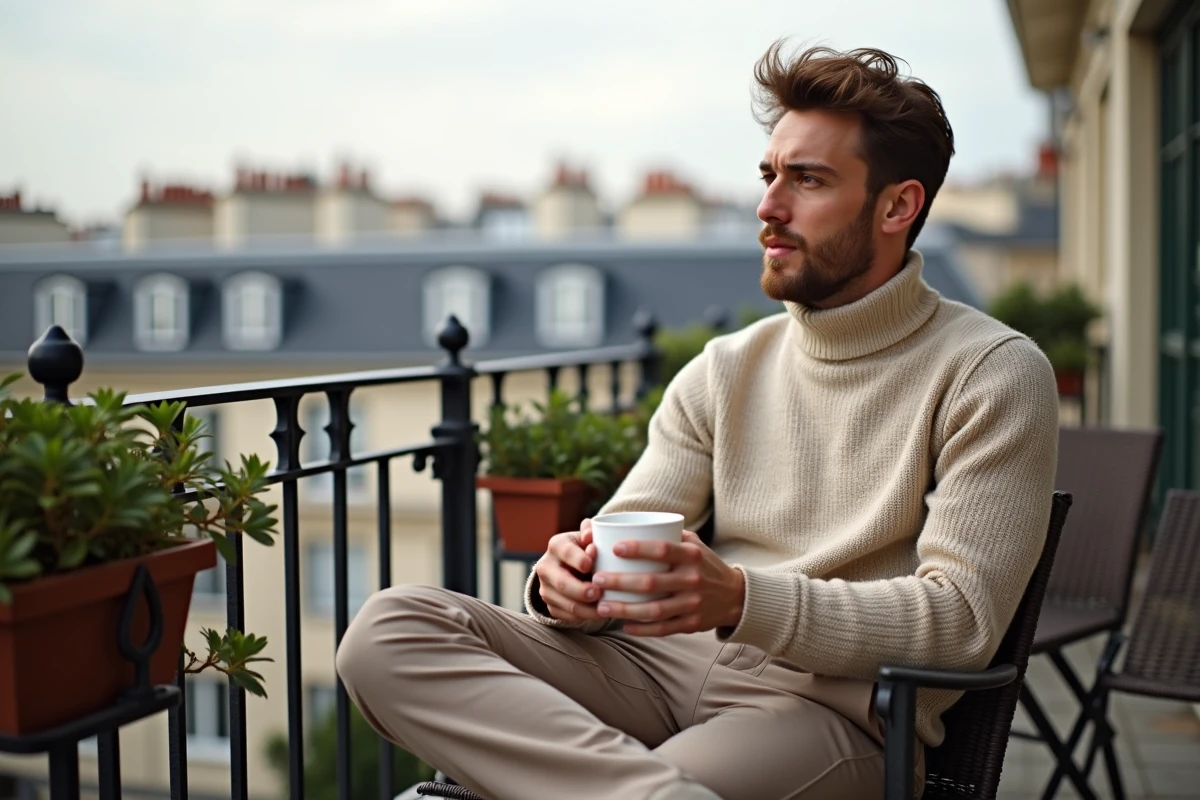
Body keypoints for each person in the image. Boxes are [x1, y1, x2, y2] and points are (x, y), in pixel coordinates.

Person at [336, 41, 1059, 800]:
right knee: (390, 629)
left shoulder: (993, 371)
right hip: (652, 667)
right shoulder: (725, 368)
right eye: (769, 175)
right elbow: (624, 539)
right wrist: (566, 585)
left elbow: (962, 620)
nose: (768, 208)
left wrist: (745, 599)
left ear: (897, 205)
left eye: (807, 180)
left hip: (827, 711)